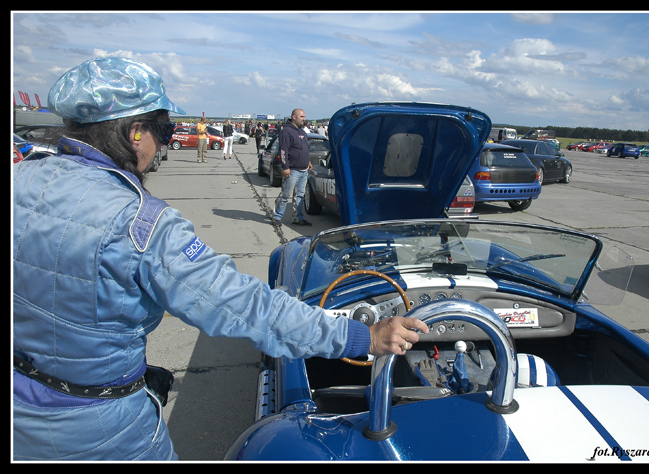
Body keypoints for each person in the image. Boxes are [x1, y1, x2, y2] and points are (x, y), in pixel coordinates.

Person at [12, 57, 428, 461]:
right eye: (164, 128)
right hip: (102, 433)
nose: (166, 141)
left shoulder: (20, 179)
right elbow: (245, 307)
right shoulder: (140, 223)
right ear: (135, 132)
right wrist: (363, 338)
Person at [272, 109, 313, 227]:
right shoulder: (286, 132)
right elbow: (283, 150)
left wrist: (308, 162)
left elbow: (304, 149)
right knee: (285, 195)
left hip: (304, 170)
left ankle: (298, 218)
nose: (304, 118)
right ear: (294, 117)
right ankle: (277, 217)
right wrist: (285, 167)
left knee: (300, 196)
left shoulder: (302, 132)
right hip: (292, 170)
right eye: (302, 116)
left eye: (304, 116)